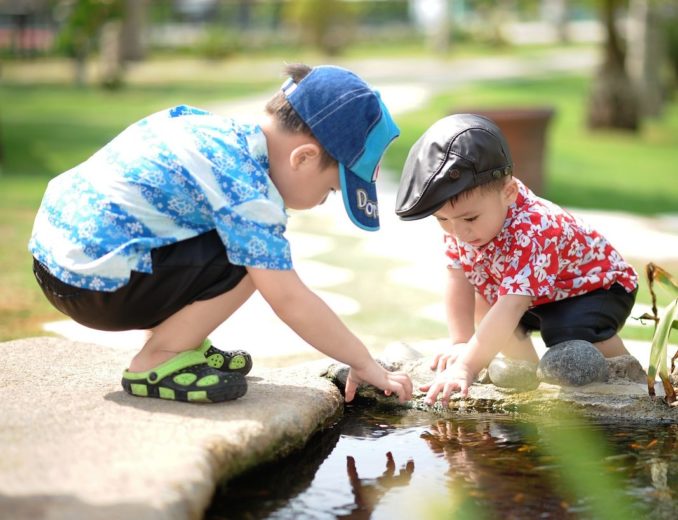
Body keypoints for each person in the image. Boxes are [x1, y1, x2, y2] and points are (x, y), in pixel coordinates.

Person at [29, 63, 413, 404]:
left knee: (234, 241)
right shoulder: (247, 189)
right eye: (331, 190)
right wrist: (362, 361)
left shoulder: (214, 132)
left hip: (57, 262)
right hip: (94, 286)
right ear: (304, 158)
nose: (322, 201)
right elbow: (289, 299)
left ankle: (181, 342)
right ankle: (159, 359)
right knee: (254, 262)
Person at [395, 114, 638, 406]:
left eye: (470, 218)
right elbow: (457, 277)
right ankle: (527, 378)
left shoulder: (535, 228)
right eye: (442, 220)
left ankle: (628, 376)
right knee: (485, 302)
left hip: (596, 288)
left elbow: (512, 304)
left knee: (566, 332)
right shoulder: (462, 224)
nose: (458, 231)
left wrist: (466, 367)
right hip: (538, 294)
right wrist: (461, 342)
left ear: (508, 192)